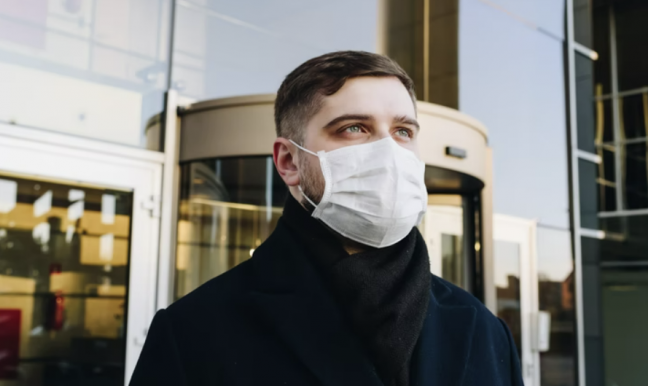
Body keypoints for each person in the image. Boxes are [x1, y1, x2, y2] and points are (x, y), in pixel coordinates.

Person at [130, 51, 524, 386]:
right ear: (289, 162)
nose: (388, 152)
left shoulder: (485, 330)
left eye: (403, 131)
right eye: (354, 128)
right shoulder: (194, 332)